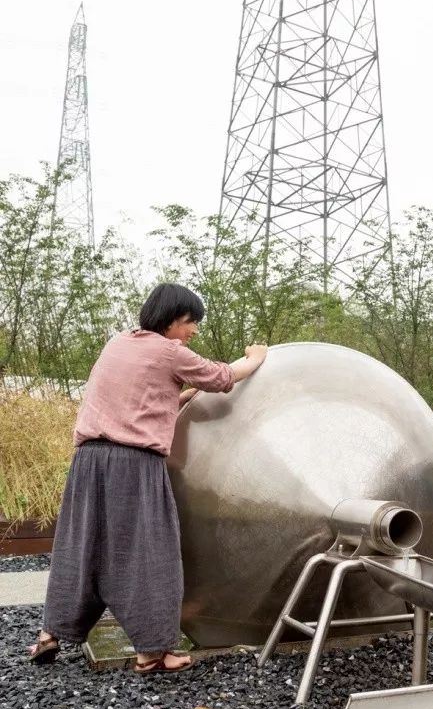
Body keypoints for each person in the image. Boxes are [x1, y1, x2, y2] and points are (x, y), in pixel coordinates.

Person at [29, 283, 268, 674]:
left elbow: (133, 401)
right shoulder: (170, 351)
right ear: (173, 318)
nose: (193, 331)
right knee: (149, 551)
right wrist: (255, 358)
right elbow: (223, 376)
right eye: (191, 322)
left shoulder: (118, 344)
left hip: (88, 461)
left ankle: (51, 633)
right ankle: (153, 651)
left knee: (80, 547)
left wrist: (180, 397)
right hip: (133, 463)